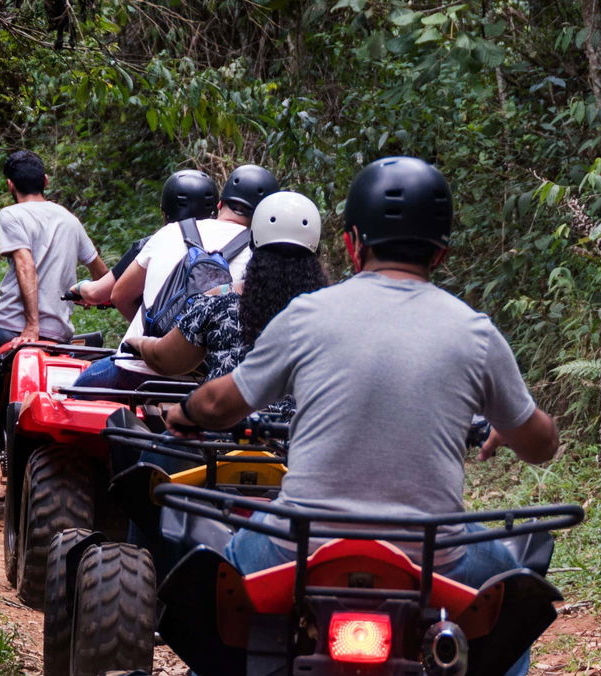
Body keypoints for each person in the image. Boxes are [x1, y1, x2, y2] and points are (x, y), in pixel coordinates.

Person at [163, 157, 558, 676]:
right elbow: (541, 443)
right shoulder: (474, 333)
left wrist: (183, 411)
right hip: (431, 555)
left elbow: (219, 404)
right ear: (441, 252)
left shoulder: (307, 315)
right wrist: (512, 426)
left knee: (220, 614)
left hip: (296, 544)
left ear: (351, 245)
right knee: (511, 614)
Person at [123, 191, 328, 418]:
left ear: (253, 243)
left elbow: (167, 360)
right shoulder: (331, 314)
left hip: (221, 436)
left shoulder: (219, 301)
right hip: (302, 442)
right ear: (315, 249)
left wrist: (139, 343)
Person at [74, 165, 278, 389]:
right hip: (206, 383)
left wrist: (158, 337)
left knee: (74, 392)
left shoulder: (171, 231)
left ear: (219, 204)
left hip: (137, 369)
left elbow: (120, 295)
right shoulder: (263, 257)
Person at [0, 150, 108, 351]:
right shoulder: (70, 220)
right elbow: (102, 273)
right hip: (59, 333)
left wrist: (32, 326)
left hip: (10, 327)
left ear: (10, 185)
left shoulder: (12, 214)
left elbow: (25, 266)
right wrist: (95, 295)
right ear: (45, 181)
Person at [70, 166, 225, 308]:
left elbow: (97, 293)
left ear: (164, 213)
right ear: (217, 208)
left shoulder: (153, 243)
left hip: (164, 336)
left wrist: (80, 286)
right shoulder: (232, 239)